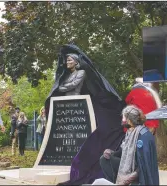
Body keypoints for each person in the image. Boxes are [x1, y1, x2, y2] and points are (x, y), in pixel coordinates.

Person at [47, 44, 125, 185]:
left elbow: (69, 86)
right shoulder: (66, 75)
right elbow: (62, 86)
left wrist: (63, 87)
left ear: (76, 62)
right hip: (66, 101)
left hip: (77, 98)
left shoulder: (81, 73)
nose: (67, 63)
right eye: (66, 60)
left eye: (70, 60)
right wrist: (62, 87)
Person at [96, 105, 159, 185]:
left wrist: (130, 178)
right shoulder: (130, 133)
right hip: (129, 165)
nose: (122, 120)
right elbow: (122, 152)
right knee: (104, 160)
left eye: (124, 118)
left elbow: (144, 164)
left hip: (139, 172)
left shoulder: (143, 135)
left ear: (129, 120)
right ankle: (114, 183)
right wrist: (111, 153)